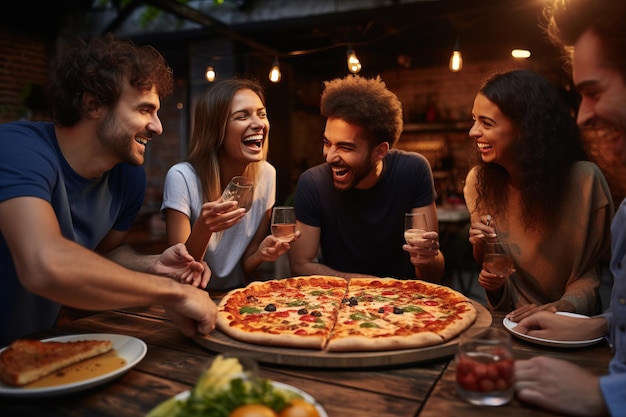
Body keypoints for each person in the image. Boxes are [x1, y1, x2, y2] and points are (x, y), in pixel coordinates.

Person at [0, 33, 216, 346]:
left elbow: (106, 254)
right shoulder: (17, 148)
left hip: (31, 351)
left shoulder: (127, 177)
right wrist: (175, 292)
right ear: (94, 104)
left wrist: (153, 265)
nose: (158, 127)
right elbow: (43, 264)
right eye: (144, 110)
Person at [512, 1, 626, 416]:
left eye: (593, 92)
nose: (582, 116)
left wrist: (605, 396)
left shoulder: (585, 180)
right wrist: (601, 323)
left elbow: (587, 276)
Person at [464, 69, 613, 319]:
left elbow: (589, 274)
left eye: (486, 123)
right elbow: (494, 272)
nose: (473, 132)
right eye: (474, 120)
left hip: (573, 325)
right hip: (512, 323)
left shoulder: (585, 182)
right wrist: (485, 260)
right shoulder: (478, 181)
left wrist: (559, 310)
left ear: (525, 128)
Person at [288, 75, 444, 281]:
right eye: (327, 142)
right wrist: (373, 287)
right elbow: (300, 266)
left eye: (345, 147)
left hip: (406, 303)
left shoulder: (413, 170)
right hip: (338, 304)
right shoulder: (313, 183)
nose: (329, 156)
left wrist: (428, 258)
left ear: (380, 151)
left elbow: (433, 276)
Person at [161, 78, 298, 291]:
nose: (259, 124)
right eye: (242, 116)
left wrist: (261, 253)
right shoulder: (182, 177)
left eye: (261, 114)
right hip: (190, 297)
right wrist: (204, 228)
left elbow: (243, 265)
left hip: (235, 295)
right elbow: (180, 270)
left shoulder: (267, 174)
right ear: (216, 129)